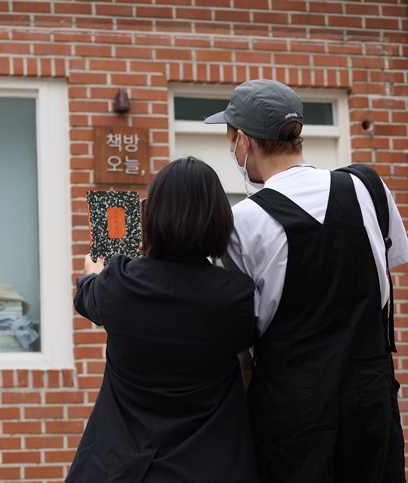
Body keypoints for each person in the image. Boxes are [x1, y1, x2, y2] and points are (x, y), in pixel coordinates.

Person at [204, 79, 408, 482]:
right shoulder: (368, 186)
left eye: (231, 140)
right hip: (369, 393)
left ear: (244, 142)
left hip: (292, 403)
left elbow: (242, 324)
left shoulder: (241, 222)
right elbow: (386, 277)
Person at [67, 157, 258, 483]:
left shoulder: (120, 283)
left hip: (120, 467)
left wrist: (93, 273)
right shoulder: (235, 295)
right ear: (219, 219)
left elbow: (86, 296)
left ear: (151, 217)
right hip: (209, 467)